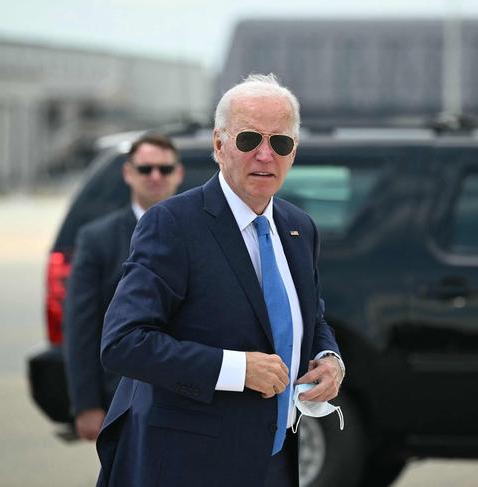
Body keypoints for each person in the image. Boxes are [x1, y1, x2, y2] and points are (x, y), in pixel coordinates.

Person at [96, 73, 345, 487]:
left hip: (276, 459)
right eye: (249, 140)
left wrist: (330, 360)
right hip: (187, 463)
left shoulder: (299, 228)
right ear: (219, 144)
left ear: (294, 152)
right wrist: (235, 368)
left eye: (279, 143)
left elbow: (311, 316)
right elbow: (123, 343)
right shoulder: (173, 224)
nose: (265, 155)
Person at [63, 133, 184, 441]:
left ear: (178, 173)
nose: (155, 176)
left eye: (164, 169)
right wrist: (86, 404)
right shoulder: (97, 239)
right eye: (145, 169)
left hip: (190, 397)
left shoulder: (204, 234)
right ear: (128, 173)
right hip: (123, 398)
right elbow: (81, 327)